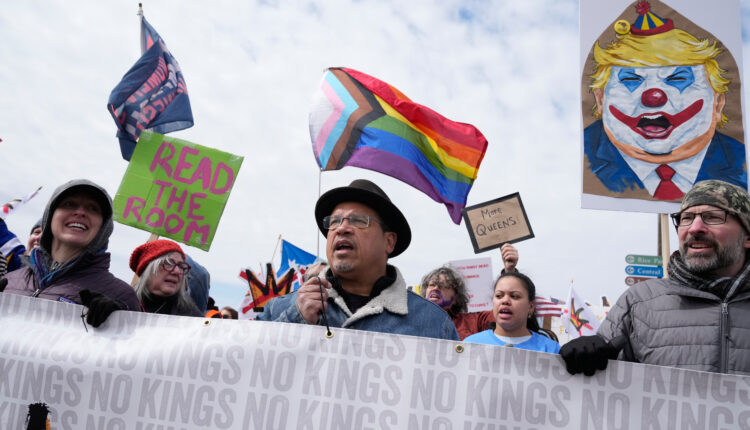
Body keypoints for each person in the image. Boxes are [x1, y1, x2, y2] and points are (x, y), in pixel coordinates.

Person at [561, 179, 750, 375]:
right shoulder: (638, 301)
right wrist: (585, 359)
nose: (695, 228)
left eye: (713, 217)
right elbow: (600, 380)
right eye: (686, 218)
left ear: (747, 237)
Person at [583, 2, 746, 200]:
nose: (653, 98)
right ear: (600, 100)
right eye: (631, 79)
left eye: (677, 78)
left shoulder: (740, 164)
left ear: (718, 103)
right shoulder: (587, 160)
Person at [258, 179, 459, 340]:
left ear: (389, 241)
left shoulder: (435, 325)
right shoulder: (279, 310)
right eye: (334, 221)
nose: (341, 228)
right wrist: (296, 320)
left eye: (358, 221)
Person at [3, 179, 140, 326]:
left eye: (93, 208)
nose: (80, 212)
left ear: (104, 226)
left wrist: (121, 321)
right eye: (69, 204)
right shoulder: (8, 281)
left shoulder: (121, 296)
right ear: (50, 216)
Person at [420, 243, 518, 340]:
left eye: (443, 286)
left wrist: (509, 272)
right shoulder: (413, 318)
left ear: (456, 298)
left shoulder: (474, 321)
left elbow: (502, 316)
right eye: (431, 285)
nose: (436, 288)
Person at [464, 272, 560, 353]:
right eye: (499, 296)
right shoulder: (470, 345)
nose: (505, 301)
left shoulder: (551, 349)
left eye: (514, 296)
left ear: (531, 307)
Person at [130, 239, 202, 317]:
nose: (177, 271)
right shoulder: (124, 303)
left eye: (181, 266)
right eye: (168, 263)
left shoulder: (192, 317)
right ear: (147, 269)